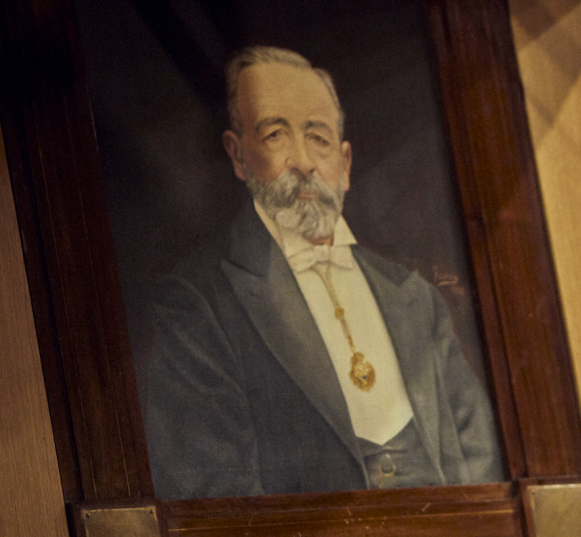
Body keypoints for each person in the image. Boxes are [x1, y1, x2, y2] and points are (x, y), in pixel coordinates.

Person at [143, 46, 502, 499]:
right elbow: (214, 494)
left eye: (318, 137)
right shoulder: (198, 303)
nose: (304, 161)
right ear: (237, 155)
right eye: (276, 135)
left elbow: (479, 459)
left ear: (345, 164)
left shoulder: (413, 297)